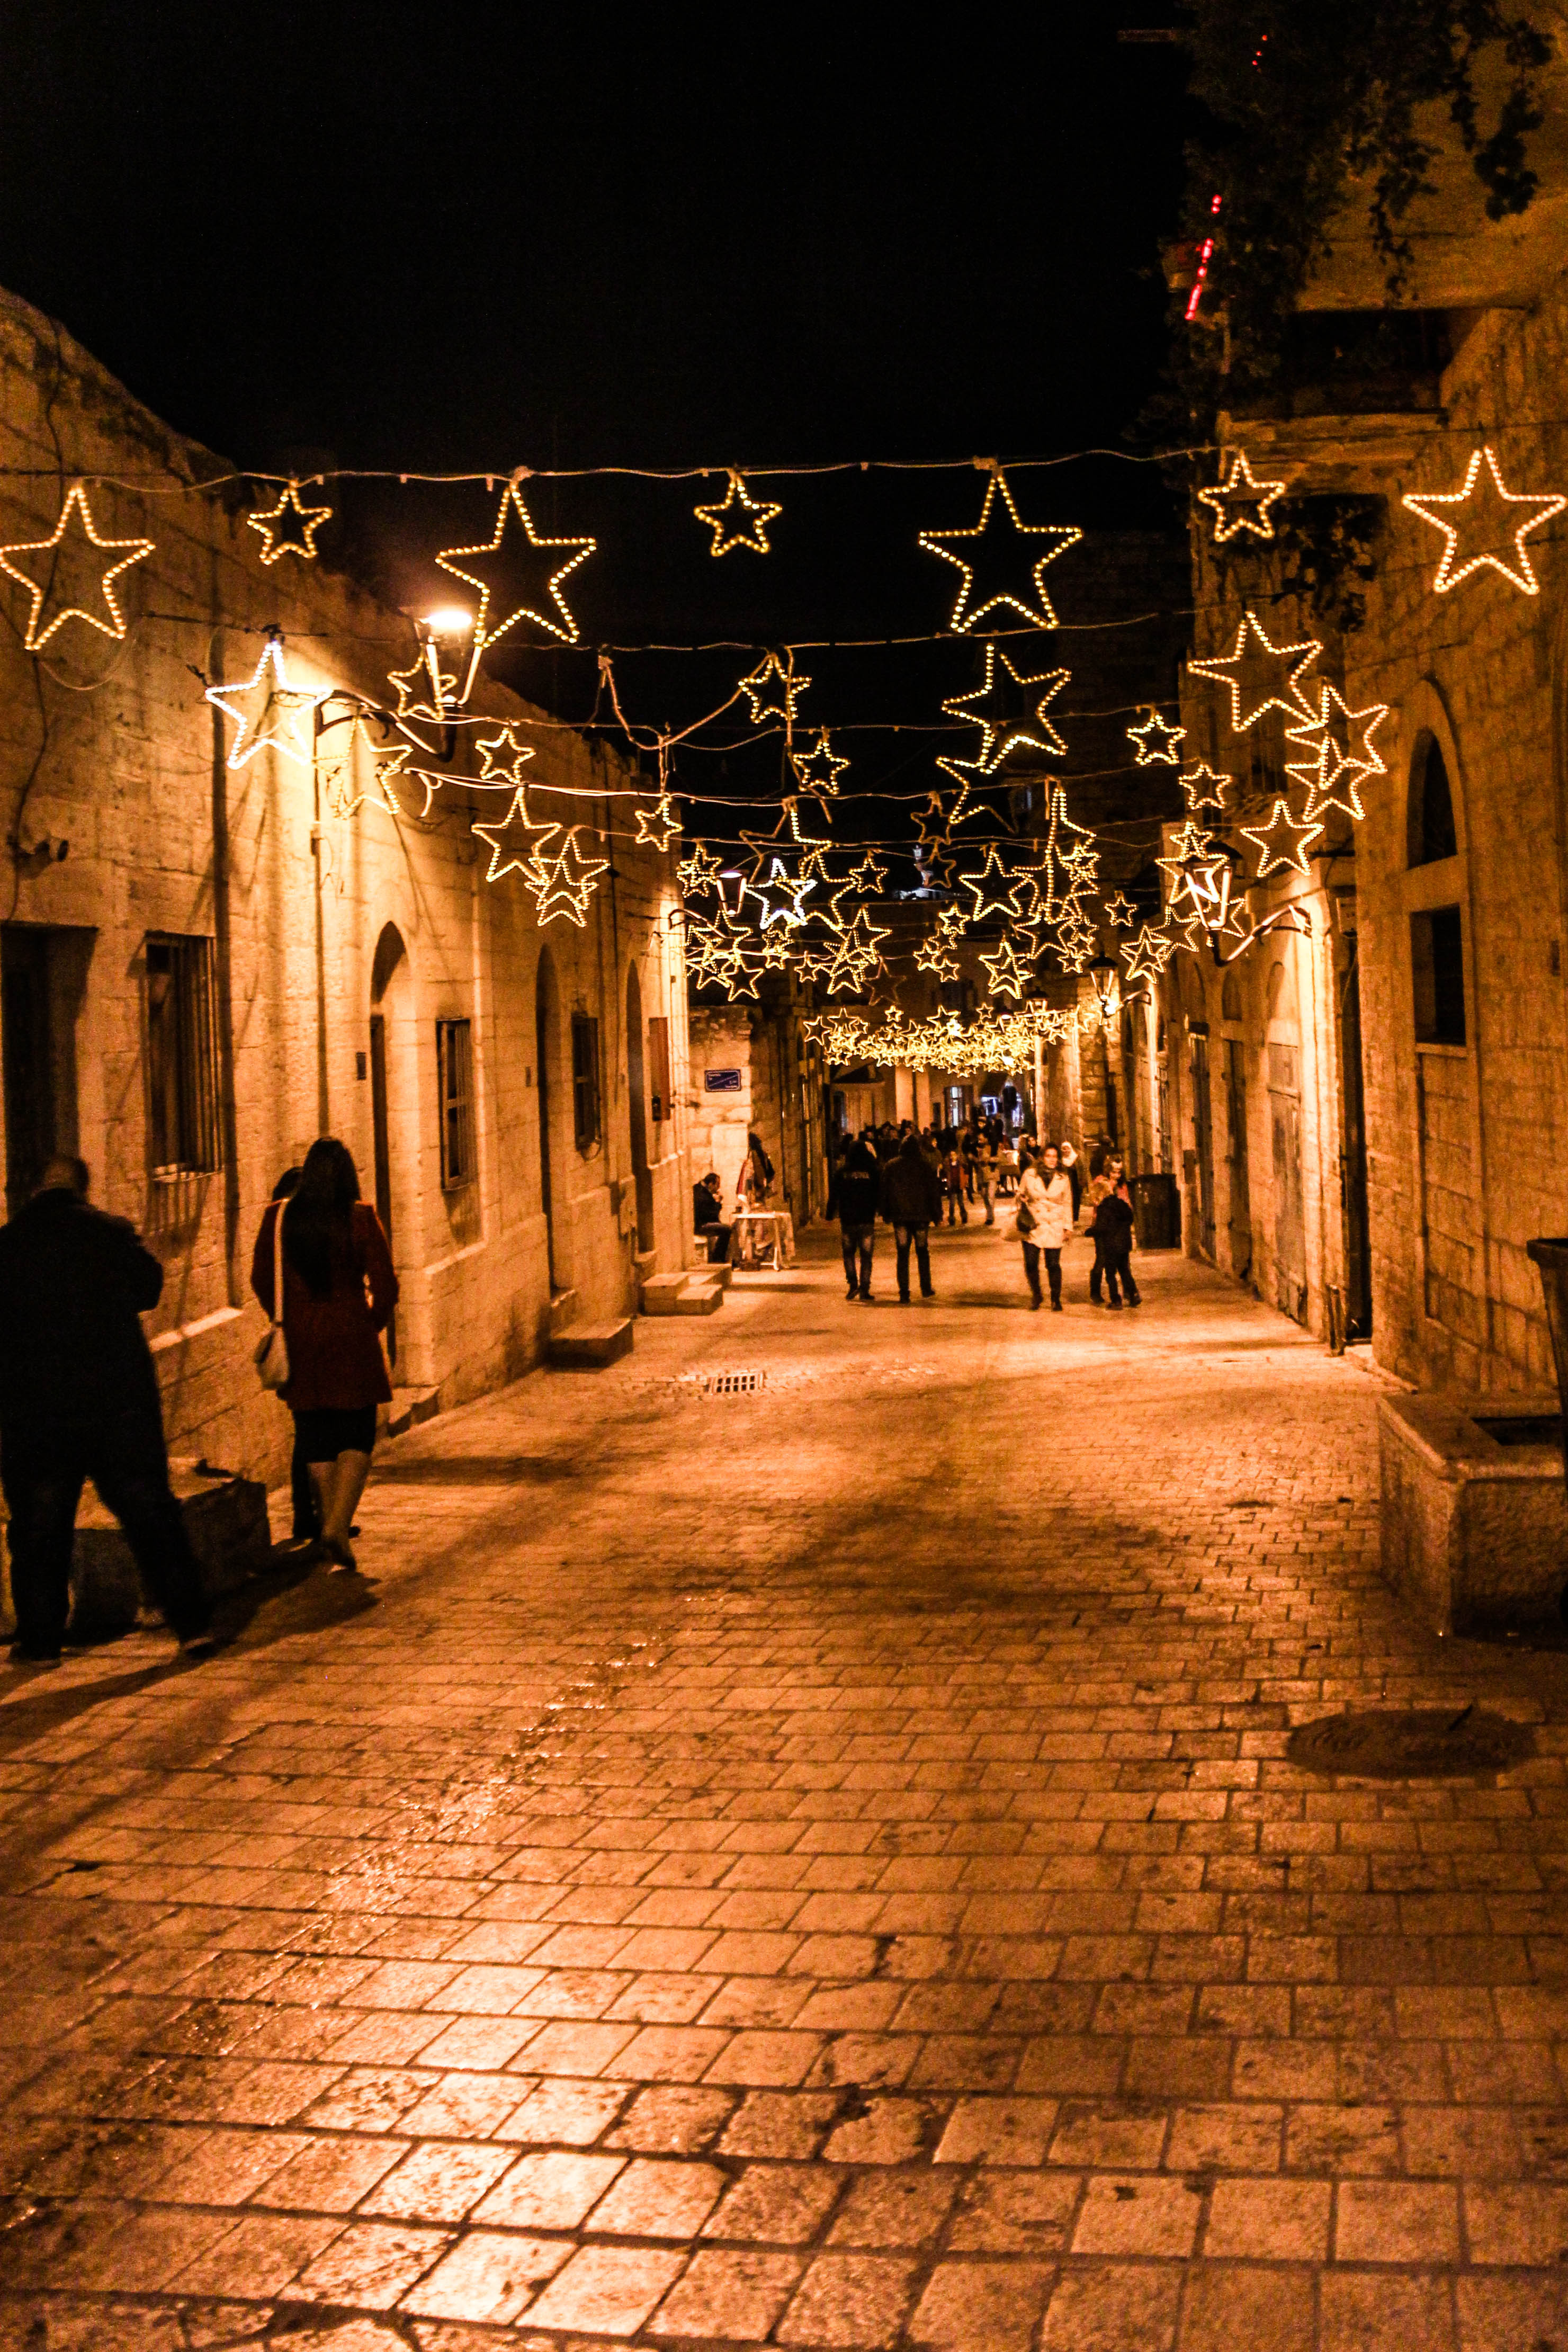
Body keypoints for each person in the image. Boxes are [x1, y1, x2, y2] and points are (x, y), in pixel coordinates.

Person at [0, 1156, 213, 1664]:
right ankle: (191, 1625)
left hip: (38, 1409)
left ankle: (41, 1640)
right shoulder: (110, 1233)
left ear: (34, 1189)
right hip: (116, 1403)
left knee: (39, 1523)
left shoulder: (7, 1245)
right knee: (149, 1512)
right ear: (82, 1187)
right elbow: (149, 1288)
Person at [250, 1137, 397, 1572]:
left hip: (301, 1338)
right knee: (356, 1432)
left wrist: (288, 1316)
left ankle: (331, 1522)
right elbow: (386, 1285)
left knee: (315, 1430)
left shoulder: (278, 1219)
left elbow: (261, 1278)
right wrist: (370, 1323)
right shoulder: (360, 1218)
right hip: (351, 1331)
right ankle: (336, 1525)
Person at [271, 1166, 319, 1542]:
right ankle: (309, 1516)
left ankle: (319, 1515)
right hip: (306, 1339)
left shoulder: (285, 1230)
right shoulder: (286, 1232)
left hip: (304, 1335)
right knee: (310, 1431)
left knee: (312, 1430)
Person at [880, 1127, 942, 1303]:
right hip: (921, 1217)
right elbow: (933, 1192)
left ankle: (904, 1292)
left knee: (903, 1253)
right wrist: (937, 1215)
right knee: (922, 1252)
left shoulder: (891, 1166)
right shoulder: (925, 1166)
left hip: (900, 1218)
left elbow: (884, 1191)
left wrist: (885, 1212)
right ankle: (926, 1288)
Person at [1015, 1142, 1074, 1311]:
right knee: (1031, 1262)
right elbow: (1020, 1193)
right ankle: (1037, 1294)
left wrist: (1068, 1227)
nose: (1052, 1160)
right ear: (1042, 1158)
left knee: (1053, 1264)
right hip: (1033, 1223)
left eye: (1055, 1156)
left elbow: (1068, 1202)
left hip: (1054, 1224)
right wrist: (1022, 1198)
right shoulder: (1030, 1174)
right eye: (1049, 1156)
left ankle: (1056, 1298)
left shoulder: (1063, 1178)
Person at [837, 1137, 880, 1301]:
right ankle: (865, 1288)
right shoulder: (872, 1172)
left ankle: (853, 1284)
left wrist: (829, 1214)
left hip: (848, 1220)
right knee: (866, 1255)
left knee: (849, 1253)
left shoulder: (842, 1173)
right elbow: (878, 1192)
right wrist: (880, 1209)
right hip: (867, 1219)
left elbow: (835, 1194)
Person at [1080, 1153, 1125, 1304]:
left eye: (1120, 1171)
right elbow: (1096, 1201)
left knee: (1122, 1261)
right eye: (1114, 1171)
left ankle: (1129, 1292)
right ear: (1108, 1170)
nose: (1117, 1175)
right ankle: (1095, 1292)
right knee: (1102, 1259)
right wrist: (1108, 1190)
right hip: (1101, 1226)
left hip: (1118, 1228)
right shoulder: (1100, 1183)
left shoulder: (1121, 1185)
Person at [1095, 1175, 1141, 1309]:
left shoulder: (1103, 1208)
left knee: (1110, 1274)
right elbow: (1130, 1218)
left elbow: (1101, 1227)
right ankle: (1133, 1295)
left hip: (1111, 1246)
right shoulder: (1121, 1204)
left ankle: (1116, 1300)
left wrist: (1089, 1232)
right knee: (1125, 1271)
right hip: (1124, 1245)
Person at [693, 1170, 732, 1265]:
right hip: (702, 1225)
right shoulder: (704, 1195)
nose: (718, 1188)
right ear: (711, 1184)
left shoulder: (697, 1189)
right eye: (717, 1185)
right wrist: (718, 1203)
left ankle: (718, 1257)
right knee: (727, 1230)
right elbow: (712, 1215)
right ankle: (718, 1258)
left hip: (700, 1222)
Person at [1058, 1138, 1082, 1220]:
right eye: (1064, 1149)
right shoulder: (1061, 1161)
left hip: (1075, 1184)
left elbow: (1082, 1170)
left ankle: (1074, 1217)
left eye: (1067, 1149)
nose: (1066, 1151)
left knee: (1075, 1201)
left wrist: (1082, 1183)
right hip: (1064, 1184)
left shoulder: (1076, 1159)